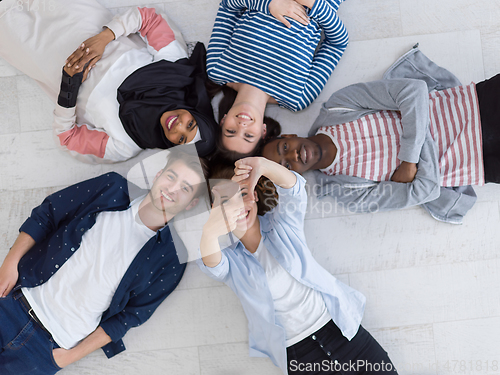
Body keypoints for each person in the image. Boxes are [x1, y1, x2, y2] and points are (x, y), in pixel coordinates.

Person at [0, 148, 208, 374]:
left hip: (46, 350)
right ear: (158, 174)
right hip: (13, 300)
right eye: (171, 176)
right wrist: (8, 264)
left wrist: (68, 357)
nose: (172, 188)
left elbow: (130, 317)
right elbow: (48, 213)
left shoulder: (172, 259)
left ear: (191, 203)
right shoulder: (112, 188)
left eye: (185, 188)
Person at [197, 157, 398, 374]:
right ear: (215, 210)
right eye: (227, 201)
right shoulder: (230, 260)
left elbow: (294, 189)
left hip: (341, 332)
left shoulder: (282, 224)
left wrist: (263, 165)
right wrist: (209, 230)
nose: (237, 206)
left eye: (243, 195)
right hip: (299, 356)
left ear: (254, 196)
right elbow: (212, 264)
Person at [261, 47, 499, 224]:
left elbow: (413, 90)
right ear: (292, 178)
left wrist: (409, 161)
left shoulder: (339, 106)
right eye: (286, 166)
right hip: (482, 164)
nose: (293, 155)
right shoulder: (347, 193)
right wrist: (415, 120)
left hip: (477, 105)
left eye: (284, 148)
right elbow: (426, 191)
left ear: (288, 135)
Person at [0, 0, 217, 163]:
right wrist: (105, 38)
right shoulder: (174, 69)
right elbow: (149, 18)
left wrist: (69, 87)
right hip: (77, 18)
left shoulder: (125, 145)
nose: (178, 126)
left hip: (40, 52)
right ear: (196, 112)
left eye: (180, 139)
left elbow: (67, 139)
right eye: (191, 124)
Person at [207, 0, 349, 156]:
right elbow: (338, 44)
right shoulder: (297, 98)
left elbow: (228, 6)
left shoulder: (217, 68)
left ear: (223, 121)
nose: (242, 125)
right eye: (248, 135)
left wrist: (268, 4)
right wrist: (312, 4)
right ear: (263, 132)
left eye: (231, 130)